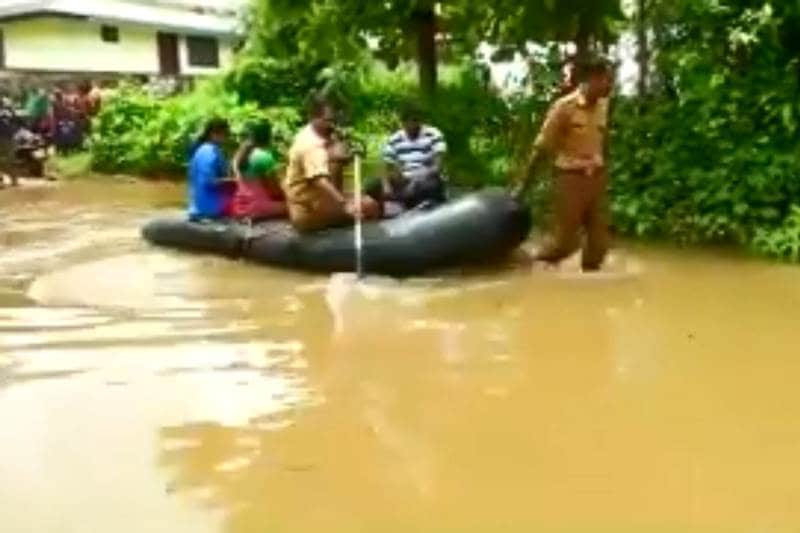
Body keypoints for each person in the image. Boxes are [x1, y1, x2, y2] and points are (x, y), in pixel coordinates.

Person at [512, 57, 613, 272]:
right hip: (570, 179)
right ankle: (534, 267)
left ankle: (589, 290)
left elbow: (601, 141)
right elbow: (541, 148)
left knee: (599, 244)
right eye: (605, 79)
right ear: (590, 79)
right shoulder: (564, 108)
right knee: (565, 242)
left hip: (595, 178)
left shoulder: (603, 106)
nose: (609, 84)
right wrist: (523, 186)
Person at [283, 96, 379, 232]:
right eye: (327, 121)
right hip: (307, 210)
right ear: (313, 118)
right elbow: (319, 180)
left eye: (333, 120)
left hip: (312, 200)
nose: (331, 125)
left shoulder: (309, 133)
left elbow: (324, 158)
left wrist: (342, 157)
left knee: (357, 195)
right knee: (370, 205)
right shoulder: (311, 145)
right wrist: (344, 204)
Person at [368, 101, 447, 212]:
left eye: (416, 120)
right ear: (403, 122)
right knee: (372, 186)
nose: (413, 125)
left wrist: (416, 180)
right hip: (404, 180)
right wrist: (386, 185)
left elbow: (437, 166)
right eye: (410, 121)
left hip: (425, 177)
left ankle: (407, 201)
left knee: (430, 185)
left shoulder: (433, 134)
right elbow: (384, 165)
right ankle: (403, 200)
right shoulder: (395, 139)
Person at [229, 120, 286, 220]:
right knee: (294, 206)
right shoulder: (264, 157)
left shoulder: (241, 155)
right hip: (255, 207)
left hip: (238, 207)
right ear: (269, 137)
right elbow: (274, 190)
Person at [187, 118, 232, 220]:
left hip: (197, 206)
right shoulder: (210, 152)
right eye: (226, 134)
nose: (227, 138)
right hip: (209, 208)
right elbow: (209, 181)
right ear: (214, 134)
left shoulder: (202, 149)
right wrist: (233, 181)